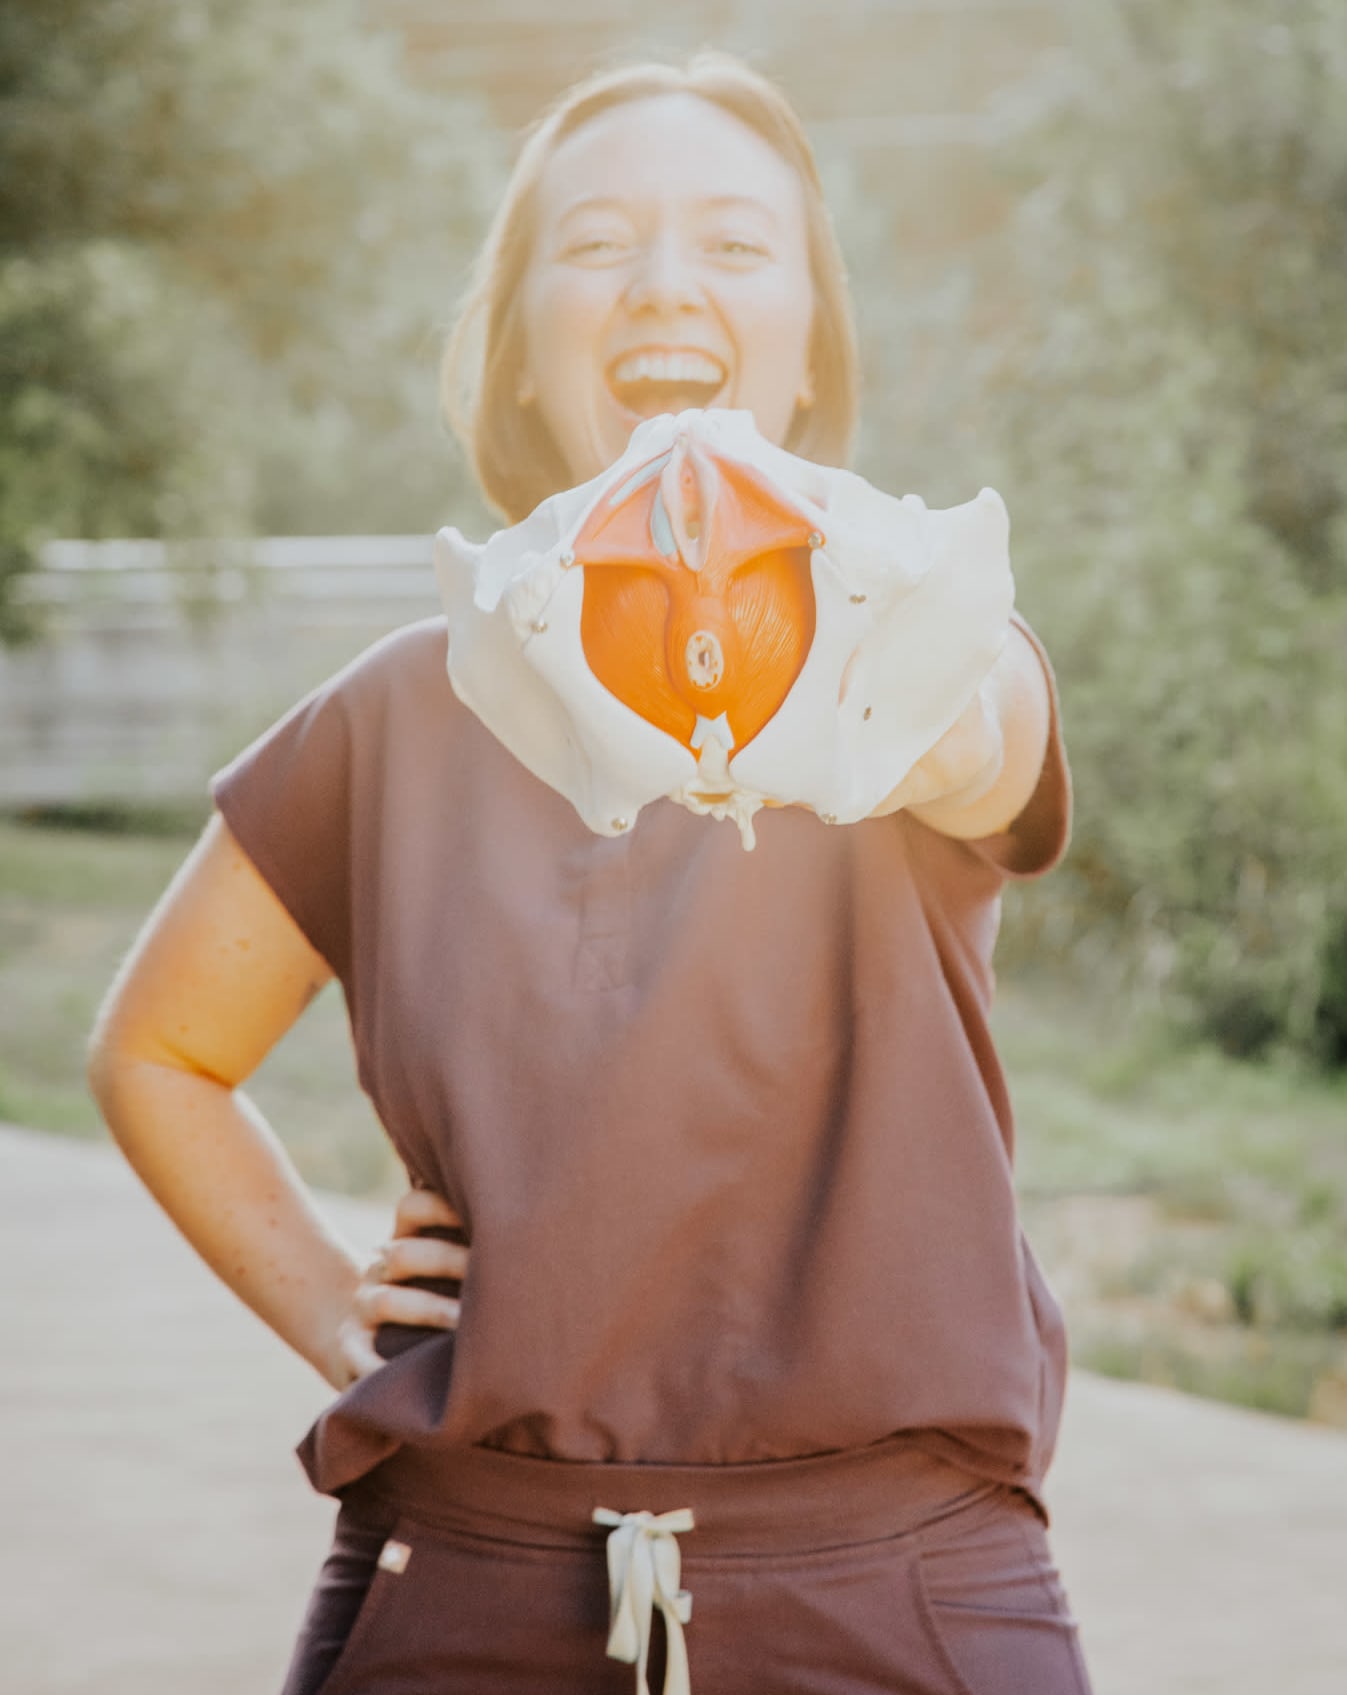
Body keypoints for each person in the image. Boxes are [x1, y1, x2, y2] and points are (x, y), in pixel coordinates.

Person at [88, 52, 1093, 1695]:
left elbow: (970, 735)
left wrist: (807, 598)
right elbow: (155, 1053)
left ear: (812, 344)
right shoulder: (396, 713)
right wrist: (337, 1309)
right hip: (463, 1588)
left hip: (905, 1591)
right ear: (520, 347)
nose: (666, 283)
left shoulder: (919, 642)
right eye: (600, 241)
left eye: (735, 245)